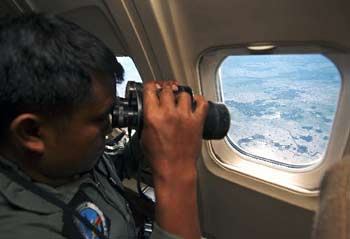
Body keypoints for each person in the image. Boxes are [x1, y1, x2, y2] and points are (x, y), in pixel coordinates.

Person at [0, 14, 208, 239]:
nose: (110, 126)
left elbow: (112, 170)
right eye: (101, 118)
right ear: (32, 132)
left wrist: (152, 138)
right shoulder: (22, 229)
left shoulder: (65, 159)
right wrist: (175, 170)